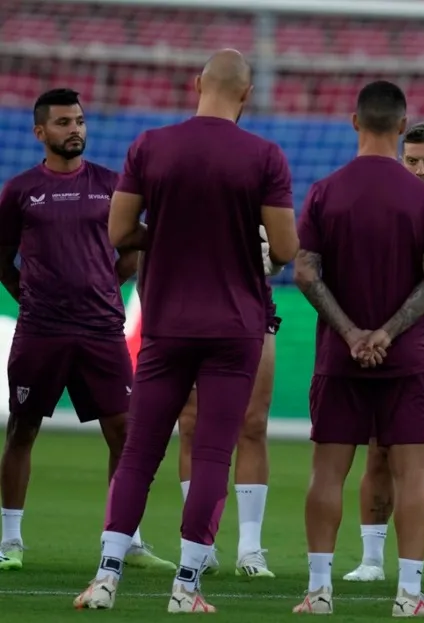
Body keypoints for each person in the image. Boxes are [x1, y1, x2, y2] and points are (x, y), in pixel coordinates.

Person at [73, 49, 299, 613]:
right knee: (215, 453)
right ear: (246, 94)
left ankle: (104, 578)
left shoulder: (150, 145)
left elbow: (119, 230)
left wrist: (167, 232)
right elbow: (289, 249)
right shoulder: (265, 155)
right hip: (235, 327)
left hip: (167, 324)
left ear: (197, 83)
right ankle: (187, 588)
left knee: (140, 453)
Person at [292, 80, 424, 617]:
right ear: (403, 127)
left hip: (339, 358)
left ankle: (318, 591)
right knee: (412, 475)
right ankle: (408, 595)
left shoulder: (324, 191)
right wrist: (386, 333)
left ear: (354, 122)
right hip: (407, 359)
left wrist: (352, 333)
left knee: (327, 473)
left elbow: (306, 273)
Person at [0, 88, 172, 573]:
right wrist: (28, 297)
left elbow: (134, 247)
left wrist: (105, 285)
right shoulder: (19, 191)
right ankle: (9, 540)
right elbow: (1, 257)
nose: (74, 129)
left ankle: (126, 540)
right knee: (22, 429)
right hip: (41, 331)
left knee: (125, 433)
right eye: (62, 123)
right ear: (40, 133)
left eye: (78, 120)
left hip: (101, 330)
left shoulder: (112, 186)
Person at [344, 121, 424, 584]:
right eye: (411, 161)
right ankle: (372, 559)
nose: (419, 169)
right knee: (378, 452)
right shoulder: (388, 210)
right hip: (395, 346)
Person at [175, 230, 282, 579]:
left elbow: (283, 245)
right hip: (189, 308)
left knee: (253, 423)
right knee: (191, 425)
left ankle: (250, 548)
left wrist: (272, 255)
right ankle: (198, 545)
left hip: (251, 306)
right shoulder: (178, 187)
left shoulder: (255, 183)